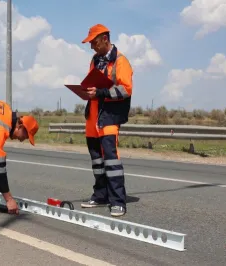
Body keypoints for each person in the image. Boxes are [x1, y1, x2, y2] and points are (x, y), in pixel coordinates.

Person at [80, 24, 133, 217]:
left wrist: (101, 92)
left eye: (94, 42)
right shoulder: (95, 60)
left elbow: (126, 89)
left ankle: (118, 201)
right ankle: (100, 195)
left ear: (104, 38)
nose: (92, 46)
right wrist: (87, 90)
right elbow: (92, 83)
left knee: (111, 161)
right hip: (92, 117)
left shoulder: (121, 61)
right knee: (97, 161)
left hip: (109, 117)